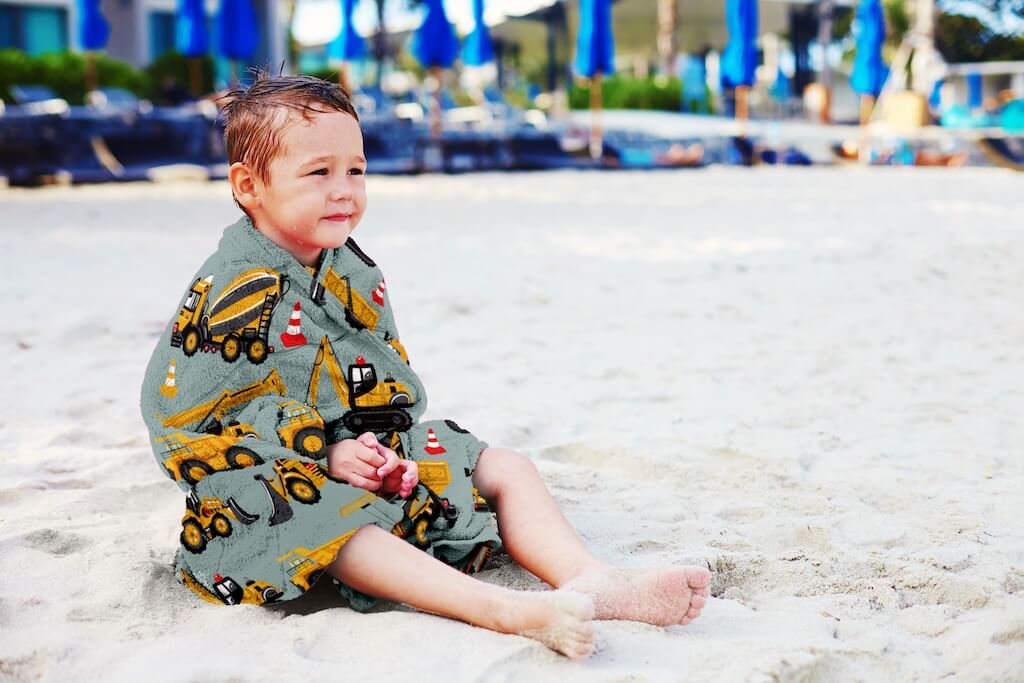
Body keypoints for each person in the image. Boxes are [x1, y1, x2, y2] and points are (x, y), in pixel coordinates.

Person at [139, 71, 710, 659]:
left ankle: (591, 577)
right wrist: (321, 454)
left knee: (501, 464)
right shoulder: (230, 291)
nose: (345, 191)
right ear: (248, 185)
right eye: (319, 172)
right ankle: (502, 609)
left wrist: (379, 454)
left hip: (356, 460)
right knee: (318, 518)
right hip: (263, 482)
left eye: (356, 170)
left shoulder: (349, 270)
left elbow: (377, 379)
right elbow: (184, 425)